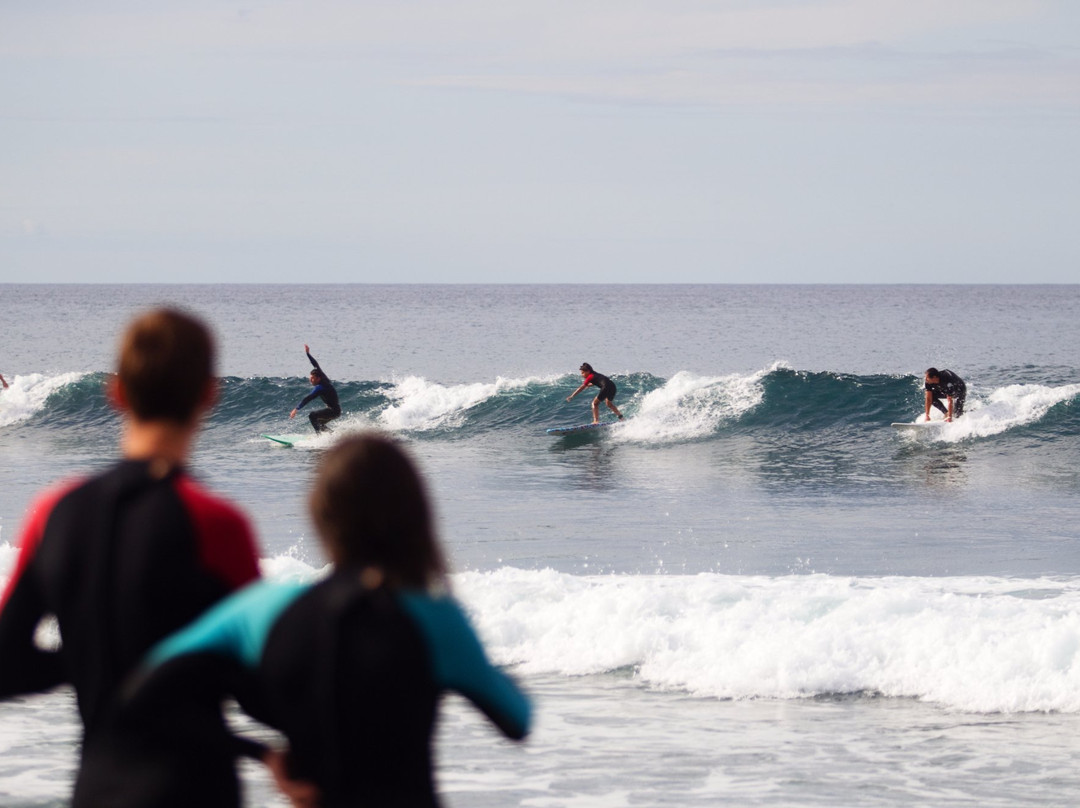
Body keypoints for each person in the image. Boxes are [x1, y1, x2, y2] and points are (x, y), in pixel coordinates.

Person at [130, 433, 532, 808]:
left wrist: (262, 754)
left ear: (320, 512)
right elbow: (517, 719)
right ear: (416, 515)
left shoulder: (266, 609)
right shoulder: (432, 616)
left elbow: (143, 692)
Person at [0, 308, 266, 808]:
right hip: (197, 791)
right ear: (210, 394)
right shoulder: (217, 525)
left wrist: (90, 663)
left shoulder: (53, 514)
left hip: (97, 788)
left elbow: (6, 663)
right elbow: (260, 689)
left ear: (115, 393)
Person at [290, 343, 341, 433]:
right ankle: (331, 435)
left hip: (333, 411)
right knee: (318, 423)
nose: (311, 380)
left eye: (313, 378)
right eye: (310, 377)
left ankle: (320, 437)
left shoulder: (320, 388)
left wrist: (296, 409)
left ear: (318, 378)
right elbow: (315, 364)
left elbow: (308, 398)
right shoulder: (323, 378)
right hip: (336, 411)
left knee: (312, 416)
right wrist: (308, 354)